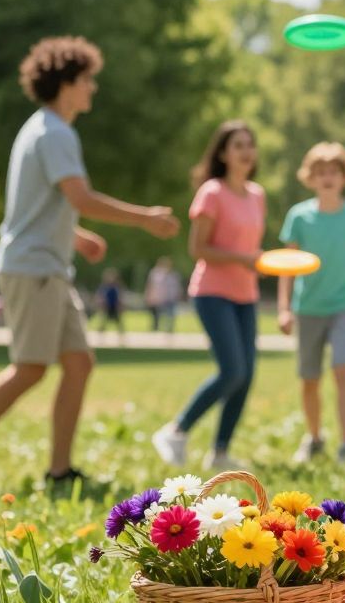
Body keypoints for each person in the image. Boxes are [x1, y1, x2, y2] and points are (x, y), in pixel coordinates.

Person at [0, 36, 179, 488]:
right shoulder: (54, 133)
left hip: (46, 265)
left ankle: (60, 471)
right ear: (65, 84)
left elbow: (43, 205)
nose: (93, 89)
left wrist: (77, 237)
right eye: (87, 80)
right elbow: (79, 197)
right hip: (33, 268)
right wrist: (145, 218)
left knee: (79, 363)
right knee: (30, 367)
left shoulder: (44, 129)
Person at [151, 121, 266, 471]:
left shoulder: (258, 194)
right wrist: (244, 259)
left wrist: (259, 262)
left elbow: (249, 245)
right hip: (212, 292)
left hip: (246, 293)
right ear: (222, 153)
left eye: (250, 144)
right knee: (232, 370)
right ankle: (176, 430)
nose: (246, 151)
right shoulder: (212, 193)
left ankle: (219, 451)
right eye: (237, 145)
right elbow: (198, 248)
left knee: (246, 374)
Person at [278, 141, 345, 464]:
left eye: (333, 171)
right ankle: (315, 437)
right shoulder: (299, 217)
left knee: (343, 369)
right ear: (310, 177)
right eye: (320, 172)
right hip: (308, 308)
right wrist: (283, 308)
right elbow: (287, 267)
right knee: (310, 378)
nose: (327, 177)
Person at [145, 256, 181, 333]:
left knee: (170, 314)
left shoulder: (173, 275)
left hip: (171, 298)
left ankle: (169, 328)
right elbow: (151, 285)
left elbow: (176, 287)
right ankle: (157, 328)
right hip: (160, 298)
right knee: (157, 314)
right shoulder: (156, 274)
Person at [93, 268, 125, 339]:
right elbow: (100, 296)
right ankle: (100, 335)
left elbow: (119, 297)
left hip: (114, 306)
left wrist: (120, 305)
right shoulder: (104, 287)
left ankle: (122, 335)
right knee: (104, 321)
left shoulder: (116, 287)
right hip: (107, 306)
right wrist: (100, 303)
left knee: (118, 321)